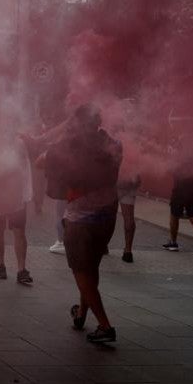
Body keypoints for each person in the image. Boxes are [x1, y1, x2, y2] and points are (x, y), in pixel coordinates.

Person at [42, 104, 122, 344]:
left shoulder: (69, 148)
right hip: (108, 215)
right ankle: (82, 313)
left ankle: (105, 325)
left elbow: (43, 161)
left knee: (80, 271)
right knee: (91, 268)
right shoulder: (114, 145)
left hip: (80, 219)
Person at [0, 134, 33, 285]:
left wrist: (26, 192)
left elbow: (25, 168)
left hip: (16, 195)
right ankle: (1, 265)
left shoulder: (19, 143)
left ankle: (21, 270)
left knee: (18, 231)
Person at [164, 144, 193, 257]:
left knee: (174, 215)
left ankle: (173, 242)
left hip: (180, 190)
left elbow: (171, 170)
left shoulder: (178, 158)